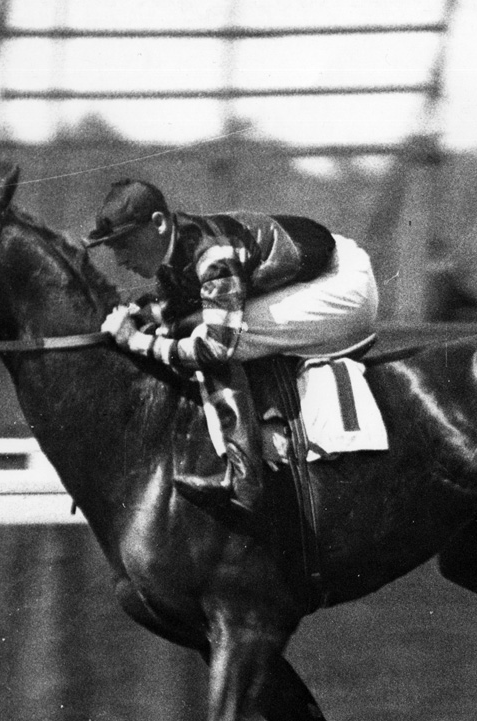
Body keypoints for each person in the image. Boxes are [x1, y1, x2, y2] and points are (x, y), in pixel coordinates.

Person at [86, 179, 379, 514]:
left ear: (159, 223)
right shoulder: (178, 247)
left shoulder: (211, 255)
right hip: (312, 272)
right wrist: (142, 315)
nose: (120, 258)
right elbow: (172, 306)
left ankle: (245, 478)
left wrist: (138, 341)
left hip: (343, 284)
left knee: (209, 338)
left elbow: (215, 349)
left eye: (124, 243)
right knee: (186, 325)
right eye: (114, 247)